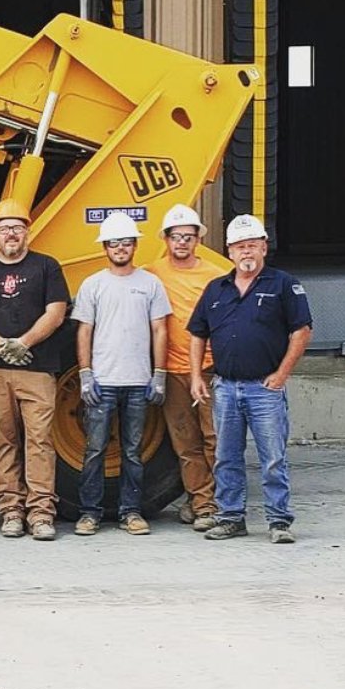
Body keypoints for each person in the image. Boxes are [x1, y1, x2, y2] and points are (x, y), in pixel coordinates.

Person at [189, 214, 312, 545]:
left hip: (264, 389)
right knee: (226, 456)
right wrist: (196, 376)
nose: (247, 253)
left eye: (253, 246)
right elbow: (198, 333)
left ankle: (279, 521)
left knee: (272, 458)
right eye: (240, 247)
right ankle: (230, 518)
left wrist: (282, 374)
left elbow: (301, 331)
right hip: (225, 387)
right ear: (229, 251)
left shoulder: (283, 284)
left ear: (264, 248)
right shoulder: (216, 288)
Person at [0, 198, 70, 541]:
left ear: (28, 231)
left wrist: (23, 342)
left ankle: (40, 514)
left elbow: (56, 312)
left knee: (39, 441)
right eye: (4, 228)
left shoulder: (46, 267)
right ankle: (11, 510)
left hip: (37, 370)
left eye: (17, 227)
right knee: (2, 441)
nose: (11, 233)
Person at [71, 211, 170, 536]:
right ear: (106, 247)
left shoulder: (150, 284)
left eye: (126, 242)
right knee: (95, 449)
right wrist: (86, 373)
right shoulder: (93, 285)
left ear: (134, 245)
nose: (121, 248)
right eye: (115, 243)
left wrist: (159, 374)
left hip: (139, 383)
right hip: (103, 382)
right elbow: (84, 331)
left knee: (132, 451)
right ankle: (89, 513)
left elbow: (160, 330)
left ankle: (131, 512)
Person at [145, 204, 222, 532]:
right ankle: (202, 503)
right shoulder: (152, 273)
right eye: (176, 237)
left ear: (197, 240)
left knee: (215, 439)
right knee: (186, 442)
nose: (182, 243)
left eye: (188, 237)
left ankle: (220, 501)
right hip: (173, 370)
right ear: (165, 239)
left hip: (209, 369)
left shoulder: (216, 275)